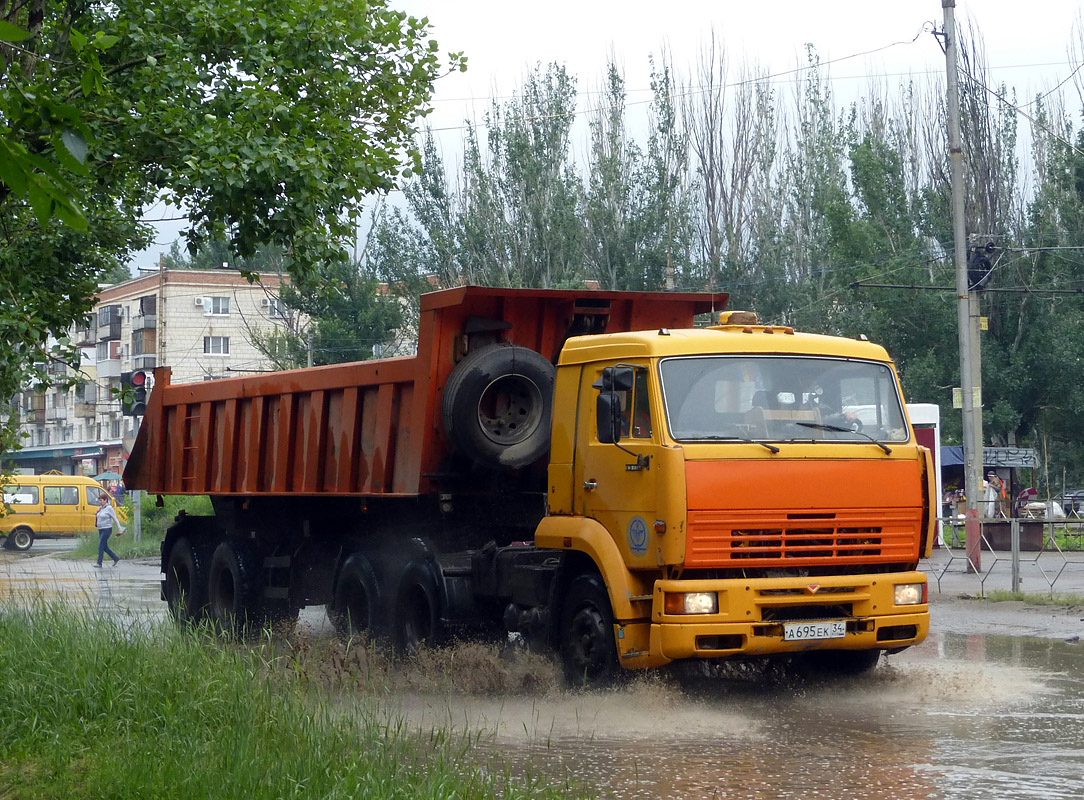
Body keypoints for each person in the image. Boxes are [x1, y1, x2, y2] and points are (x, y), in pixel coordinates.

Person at [94, 492, 124, 567]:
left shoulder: (109, 508)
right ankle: (115, 558)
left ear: (105, 500)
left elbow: (115, 519)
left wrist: (119, 528)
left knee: (100, 545)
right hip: (100, 529)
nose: (100, 502)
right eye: (99, 500)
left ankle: (99, 563)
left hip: (107, 529)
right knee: (104, 546)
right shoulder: (101, 508)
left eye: (101, 500)